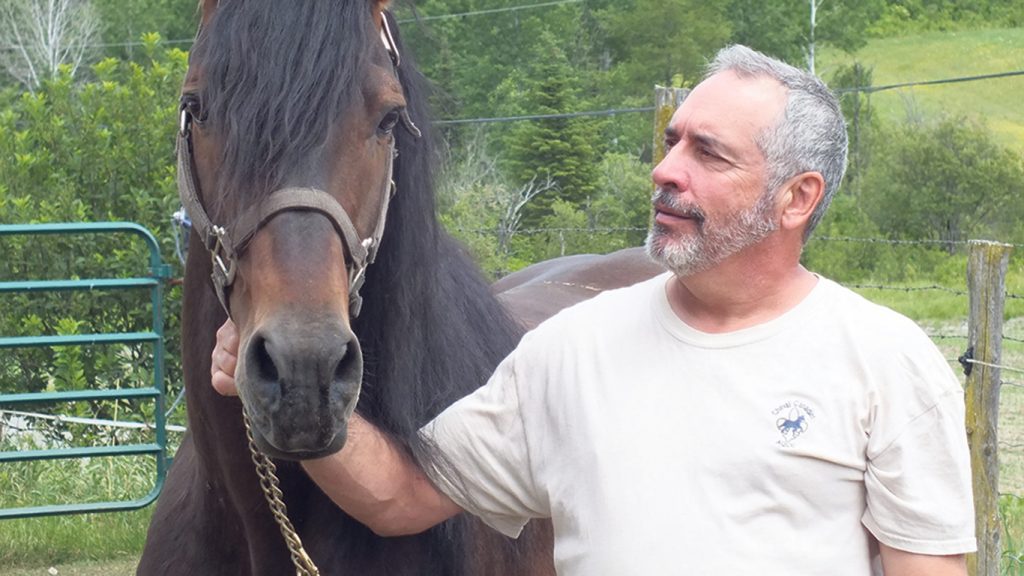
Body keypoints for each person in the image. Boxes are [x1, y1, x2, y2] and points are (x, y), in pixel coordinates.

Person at [211, 45, 976, 575]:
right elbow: (402, 496)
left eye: (708, 155)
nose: (665, 170)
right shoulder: (571, 350)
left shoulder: (884, 361)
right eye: (672, 140)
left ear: (796, 197)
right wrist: (291, 396)